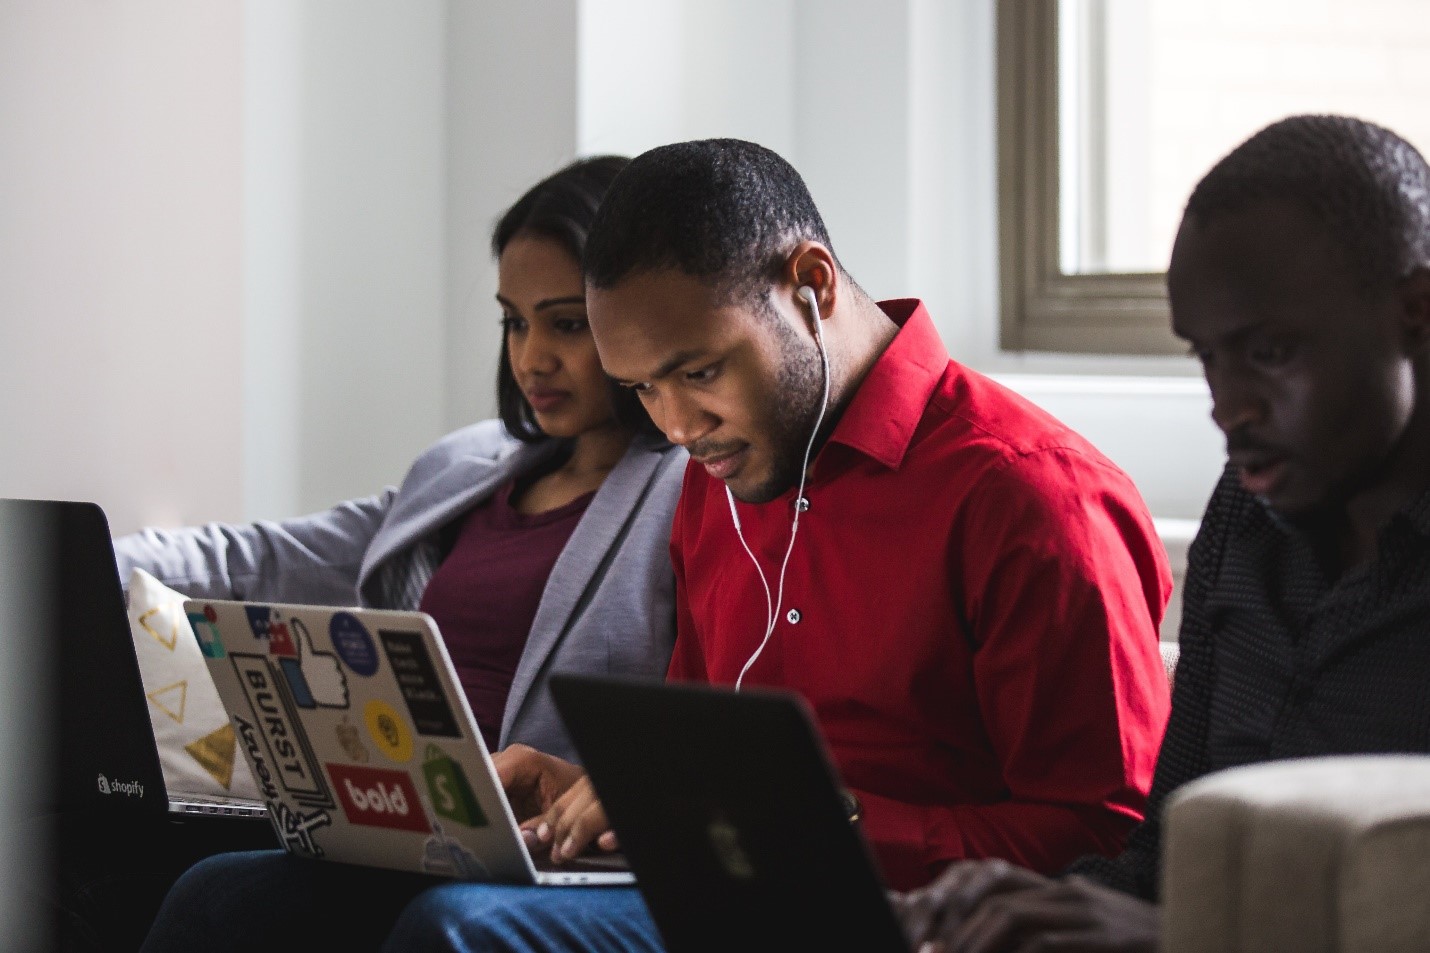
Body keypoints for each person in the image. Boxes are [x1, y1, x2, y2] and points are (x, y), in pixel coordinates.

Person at [227, 137, 1168, 953]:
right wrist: (600, 790)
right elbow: (694, 754)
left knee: (464, 933)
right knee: (242, 893)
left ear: (811, 285)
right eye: (642, 388)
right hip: (711, 885)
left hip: (885, 916)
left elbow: (1099, 842)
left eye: (699, 371)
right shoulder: (721, 475)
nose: (676, 425)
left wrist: (813, 823)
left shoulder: (1032, 496)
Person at [82, 155, 686, 953]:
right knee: (100, 839)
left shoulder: (686, 483)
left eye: (565, 322)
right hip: (385, 812)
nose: (531, 356)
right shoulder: (468, 468)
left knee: (221, 898)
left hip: (524, 841)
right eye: (513, 320)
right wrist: (91, 561)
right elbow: (266, 557)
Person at [893, 113, 1430, 953]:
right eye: (1208, 359)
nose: (1229, 407)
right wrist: (1016, 907)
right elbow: (1157, 856)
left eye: (1272, 351)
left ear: (1415, 309)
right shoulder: (1247, 514)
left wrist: (1173, 939)